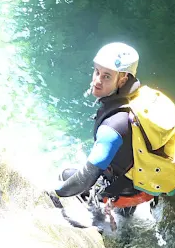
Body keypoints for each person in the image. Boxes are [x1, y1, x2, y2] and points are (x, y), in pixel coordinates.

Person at [54, 42, 156, 213]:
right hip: (142, 185)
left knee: (65, 175)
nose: (97, 81)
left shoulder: (113, 126)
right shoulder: (139, 101)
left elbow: (86, 179)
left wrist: (56, 193)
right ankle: (126, 217)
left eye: (106, 76)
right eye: (97, 72)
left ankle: (99, 219)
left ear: (122, 79)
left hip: (125, 192)